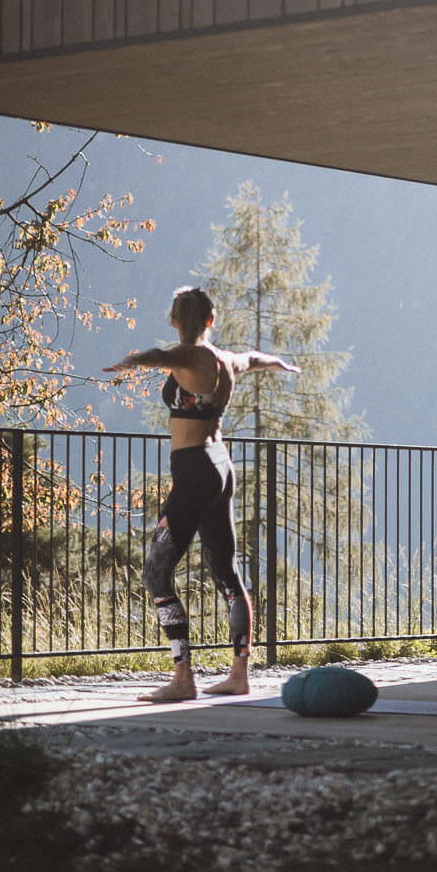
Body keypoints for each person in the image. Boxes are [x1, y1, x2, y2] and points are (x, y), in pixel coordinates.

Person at [104, 285, 299, 702]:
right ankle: (239, 674)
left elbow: (162, 356)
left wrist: (134, 361)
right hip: (219, 468)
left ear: (174, 320)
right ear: (211, 319)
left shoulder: (191, 356)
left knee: (157, 571)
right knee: (226, 571)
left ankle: (182, 678)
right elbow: (252, 358)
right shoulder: (225, 360)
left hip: (195, 471)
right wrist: (276, 363)